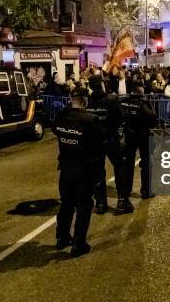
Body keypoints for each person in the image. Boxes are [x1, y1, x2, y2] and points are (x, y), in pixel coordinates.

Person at [53, 87, 105, 257]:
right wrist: (98, 176)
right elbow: (98, 149)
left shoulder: (61, 117)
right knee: (83, 207)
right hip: (84, 170)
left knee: (66, 204)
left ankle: (61, 238)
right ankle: (78, 243)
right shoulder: (91, 121)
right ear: (85, 101)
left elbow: (56, 131)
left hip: (66, 168)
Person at [86, 75, 125, 214]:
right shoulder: (111, 100)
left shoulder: (88, 103)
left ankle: (101, 203)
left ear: (90, 87)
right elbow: (121, 117)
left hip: (95, 142)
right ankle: (121, 200)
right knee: (120, 168)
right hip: (111, 139)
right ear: (101, 85)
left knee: (98, 172)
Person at [121, 84, 158, 203]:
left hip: (129, 136)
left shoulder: (124, 102)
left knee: (128, 163)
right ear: (141, 93)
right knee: (146, 162)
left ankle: (126, 190)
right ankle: (146, 191)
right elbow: (153, 119)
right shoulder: (143, 104)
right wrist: (148, 103)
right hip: (143, 135)